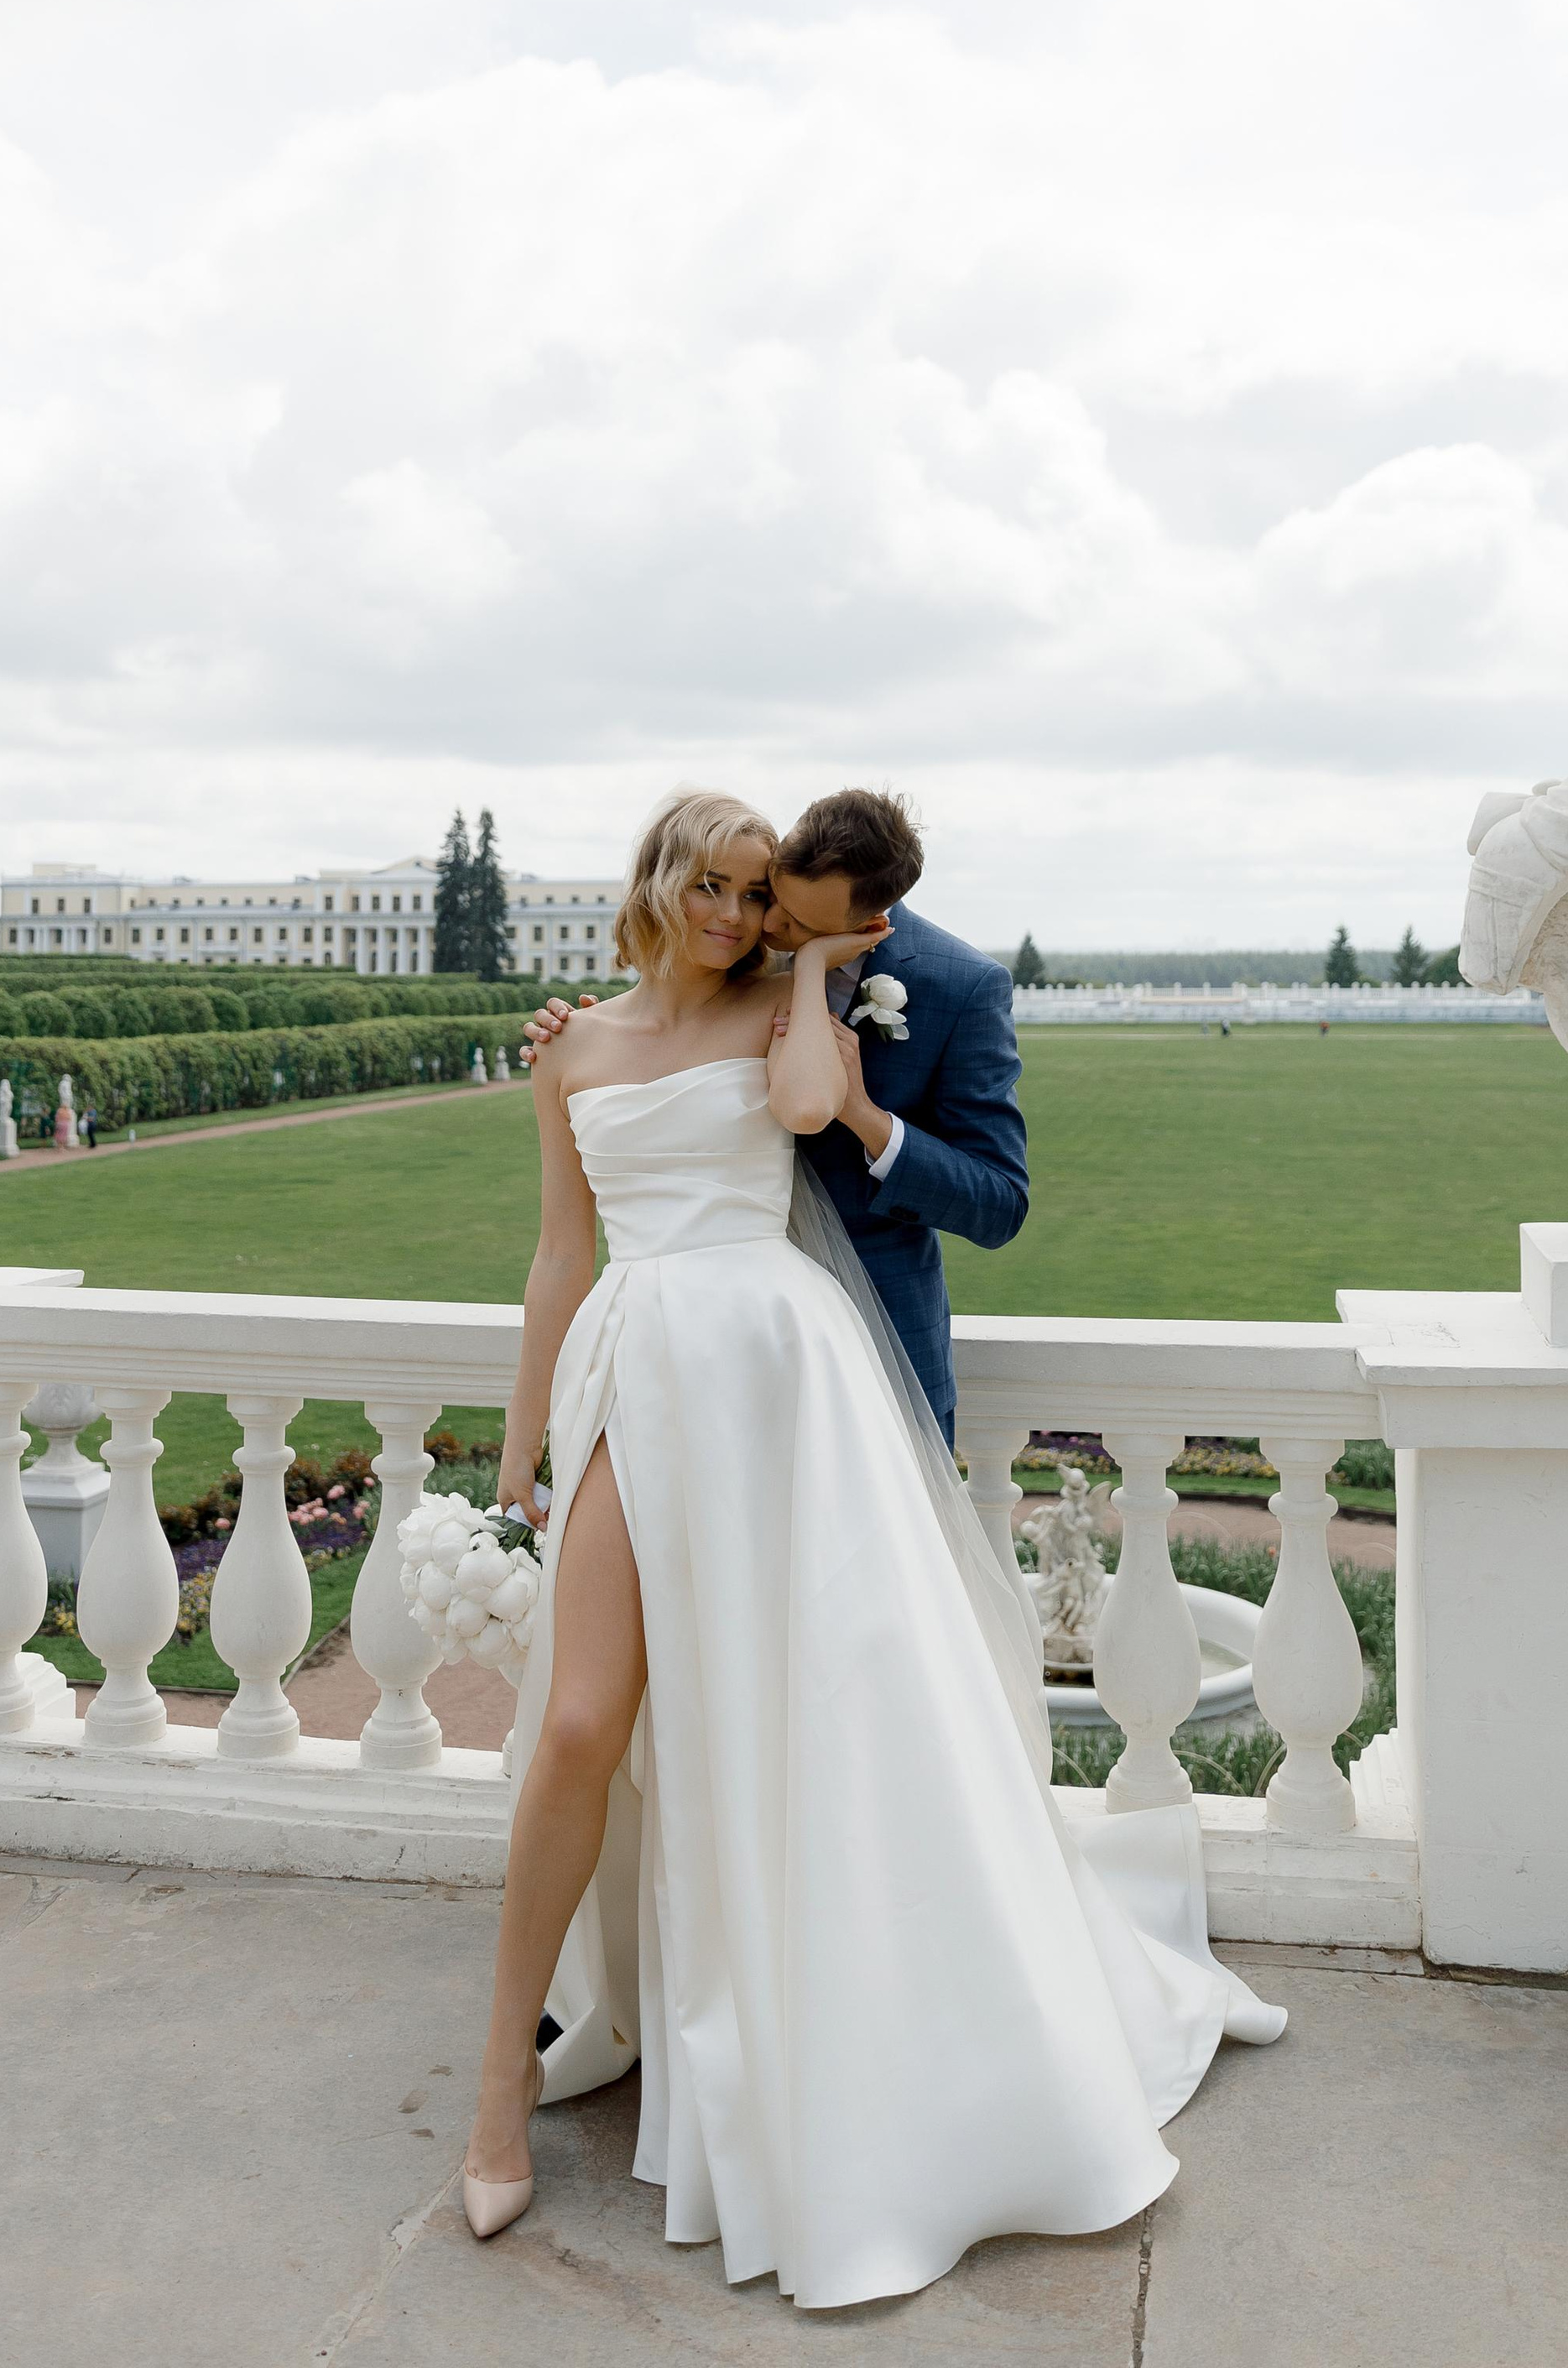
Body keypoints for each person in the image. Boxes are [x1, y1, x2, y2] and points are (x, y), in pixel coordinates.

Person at [463, 788, 1280, 2307]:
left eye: (754, 889)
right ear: (655, 882)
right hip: (635, 1371)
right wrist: (523, 1431)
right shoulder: (568, 1047)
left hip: (783, 1378)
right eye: (708, 886)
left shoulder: (808, 996)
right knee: (580, 1722)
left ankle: (830, 2029)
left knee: (827, 1721)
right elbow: (559, 1245)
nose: (731, 911)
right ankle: (495, 2085)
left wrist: (822, 974)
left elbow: (808, 1124)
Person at [523, 788, 1024, 1445]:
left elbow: (998, 1204)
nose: (769, 929)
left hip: (876, 1336)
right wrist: (596, 1040)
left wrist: (866, 1117)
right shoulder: (739, 937)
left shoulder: (959, 986)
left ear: (870, 922)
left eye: (803, 926)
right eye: (772, 898)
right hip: (686, 1338)